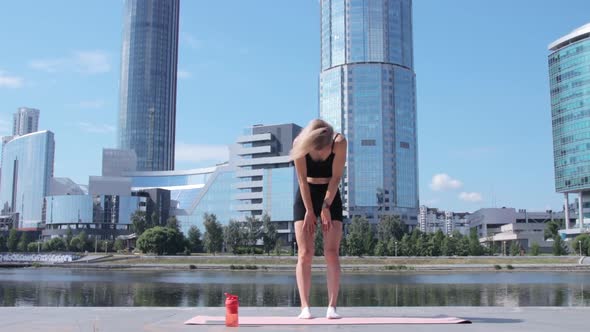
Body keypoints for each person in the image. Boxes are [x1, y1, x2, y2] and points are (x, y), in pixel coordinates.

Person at [290, 119, 347, 319]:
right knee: (305, 253)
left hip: (330, 193)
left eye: (325, 149)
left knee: (331, 252)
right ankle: (305, 307)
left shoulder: (339, 142)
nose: (322, 154)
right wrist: (309, 210)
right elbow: (301, 179)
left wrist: (325, 206)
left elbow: (336, 177)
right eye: (318, 150)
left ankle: (332, 307)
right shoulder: (299, 143)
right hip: (306, 194)